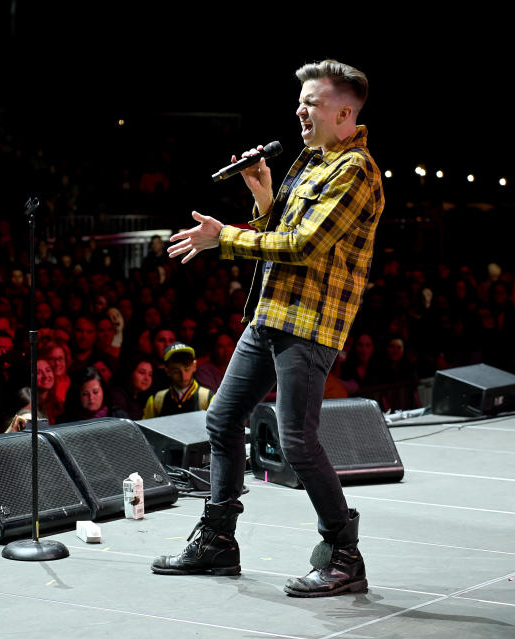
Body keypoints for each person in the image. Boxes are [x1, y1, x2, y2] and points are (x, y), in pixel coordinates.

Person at [156, 60, 383, 598]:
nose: (300, 111)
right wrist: (263, 195)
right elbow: (282, 230)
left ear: (345, 112)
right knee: (222, 419)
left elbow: (302, 246)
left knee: (298, 442)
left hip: (309, 325)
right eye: (300, 100)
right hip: (270, 315)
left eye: (313, 102)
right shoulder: (309, 161)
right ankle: (217, 542)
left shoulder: (356, 171)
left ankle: (343, 554)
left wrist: (225, 238)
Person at [142, 342, 213, 419]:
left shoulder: (208, 398)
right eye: (176, 371)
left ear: (194, 366)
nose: (183, 376)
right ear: (167, 371)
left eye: (187, 369)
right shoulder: (156, 400)